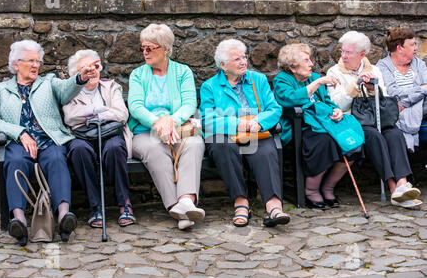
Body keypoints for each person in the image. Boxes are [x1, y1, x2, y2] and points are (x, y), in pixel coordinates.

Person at [0, 40, 96, 246]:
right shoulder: (2, 89)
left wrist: (80, 78)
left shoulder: (48, 82)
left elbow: (65, 91)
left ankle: (64, 217)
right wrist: (20, 133)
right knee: (14, 161)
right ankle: (18, 220)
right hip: (17, 143)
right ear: (16, 65)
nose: (36, 65)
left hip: (49, 140)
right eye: (30, 61)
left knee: (56, 158)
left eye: (38, 61)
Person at [200, 38, 290, 228]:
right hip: (226, 134)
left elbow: (274, 109)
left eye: (244, 57)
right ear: (223, 65)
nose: (243, 62)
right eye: (237, 59)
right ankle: (240, 201)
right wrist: (239, 124)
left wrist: (258, 122)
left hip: (256, 132)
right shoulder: (210, 86)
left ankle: (273, 205)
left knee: (265, 151)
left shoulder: (258, 79)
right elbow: (207, 120)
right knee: (222, 146)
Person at [327, 31, 421, 208]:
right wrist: (355, 84)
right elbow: (335, 103)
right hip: (353, 121)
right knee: (374, 137)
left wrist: (373, 88)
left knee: (394, 134)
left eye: (348, 53)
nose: (343, 56)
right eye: (342, 52)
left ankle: (402, 183)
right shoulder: (334, 72)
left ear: (362, 55)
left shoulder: (374, 70)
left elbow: (384, 99)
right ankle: (394, 189)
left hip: (377, 117)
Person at [128, 23, 205, 230]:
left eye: (150, 48)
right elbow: (135, 107)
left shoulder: (182, 72)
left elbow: (190, 103)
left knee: (195, 144)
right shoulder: (137, 74)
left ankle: (186, 200)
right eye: (142, 48)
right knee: (154, 149)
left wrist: (171, 121)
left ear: (165, 49)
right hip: (145, 132)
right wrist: (158, 123)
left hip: (177, 127)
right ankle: (176, 207)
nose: (145, 52)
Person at [273, 43, 362, 209]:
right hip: (299, 127)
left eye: (310, 60)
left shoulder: (313, 76)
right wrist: (319, 82)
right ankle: (311, 189)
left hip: (324, 123)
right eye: (306, 60)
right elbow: (290, 99)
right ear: (292, 67)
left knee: (351, 144)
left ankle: (328, 187)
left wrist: (337, 110)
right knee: (323, 142)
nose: (311, 64)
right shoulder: (282, 80)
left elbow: (327, 101)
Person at [63, 49, 136, 228]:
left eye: (95, 66)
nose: (92, 71)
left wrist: (90, 116)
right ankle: (95, 207)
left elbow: (121, 114)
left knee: (114, 148)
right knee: (78, 150)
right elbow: (70, 118)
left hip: (110, 133)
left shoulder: (111, 86)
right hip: (81, 136)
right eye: (85, 68)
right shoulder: (69, 91)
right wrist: (101, 110)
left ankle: (124, 203)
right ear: (75, 73)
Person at [377, 27, 427, 153]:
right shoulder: (382, 66)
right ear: (400, 48)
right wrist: (420, 89)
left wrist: (406, 102)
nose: (416, 48)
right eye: (412, 44)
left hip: (419, 109)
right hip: (395, 111)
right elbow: (392, 92)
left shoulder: (419, 64)